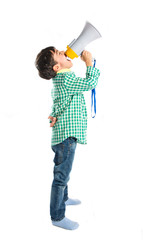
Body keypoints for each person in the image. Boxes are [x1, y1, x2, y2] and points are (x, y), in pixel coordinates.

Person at [35, 46, 100, 230]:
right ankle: (57, 216)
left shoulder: (60, 81)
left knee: (63, 171)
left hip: (62, 136)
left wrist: (54, 114)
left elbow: (59, 101)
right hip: (66, 137)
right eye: (61, 54)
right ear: (57, 67)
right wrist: (89, 64)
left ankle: (63, 198)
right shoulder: (67, 78)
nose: (65, 52)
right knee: (61, 177)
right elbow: (89, 83)